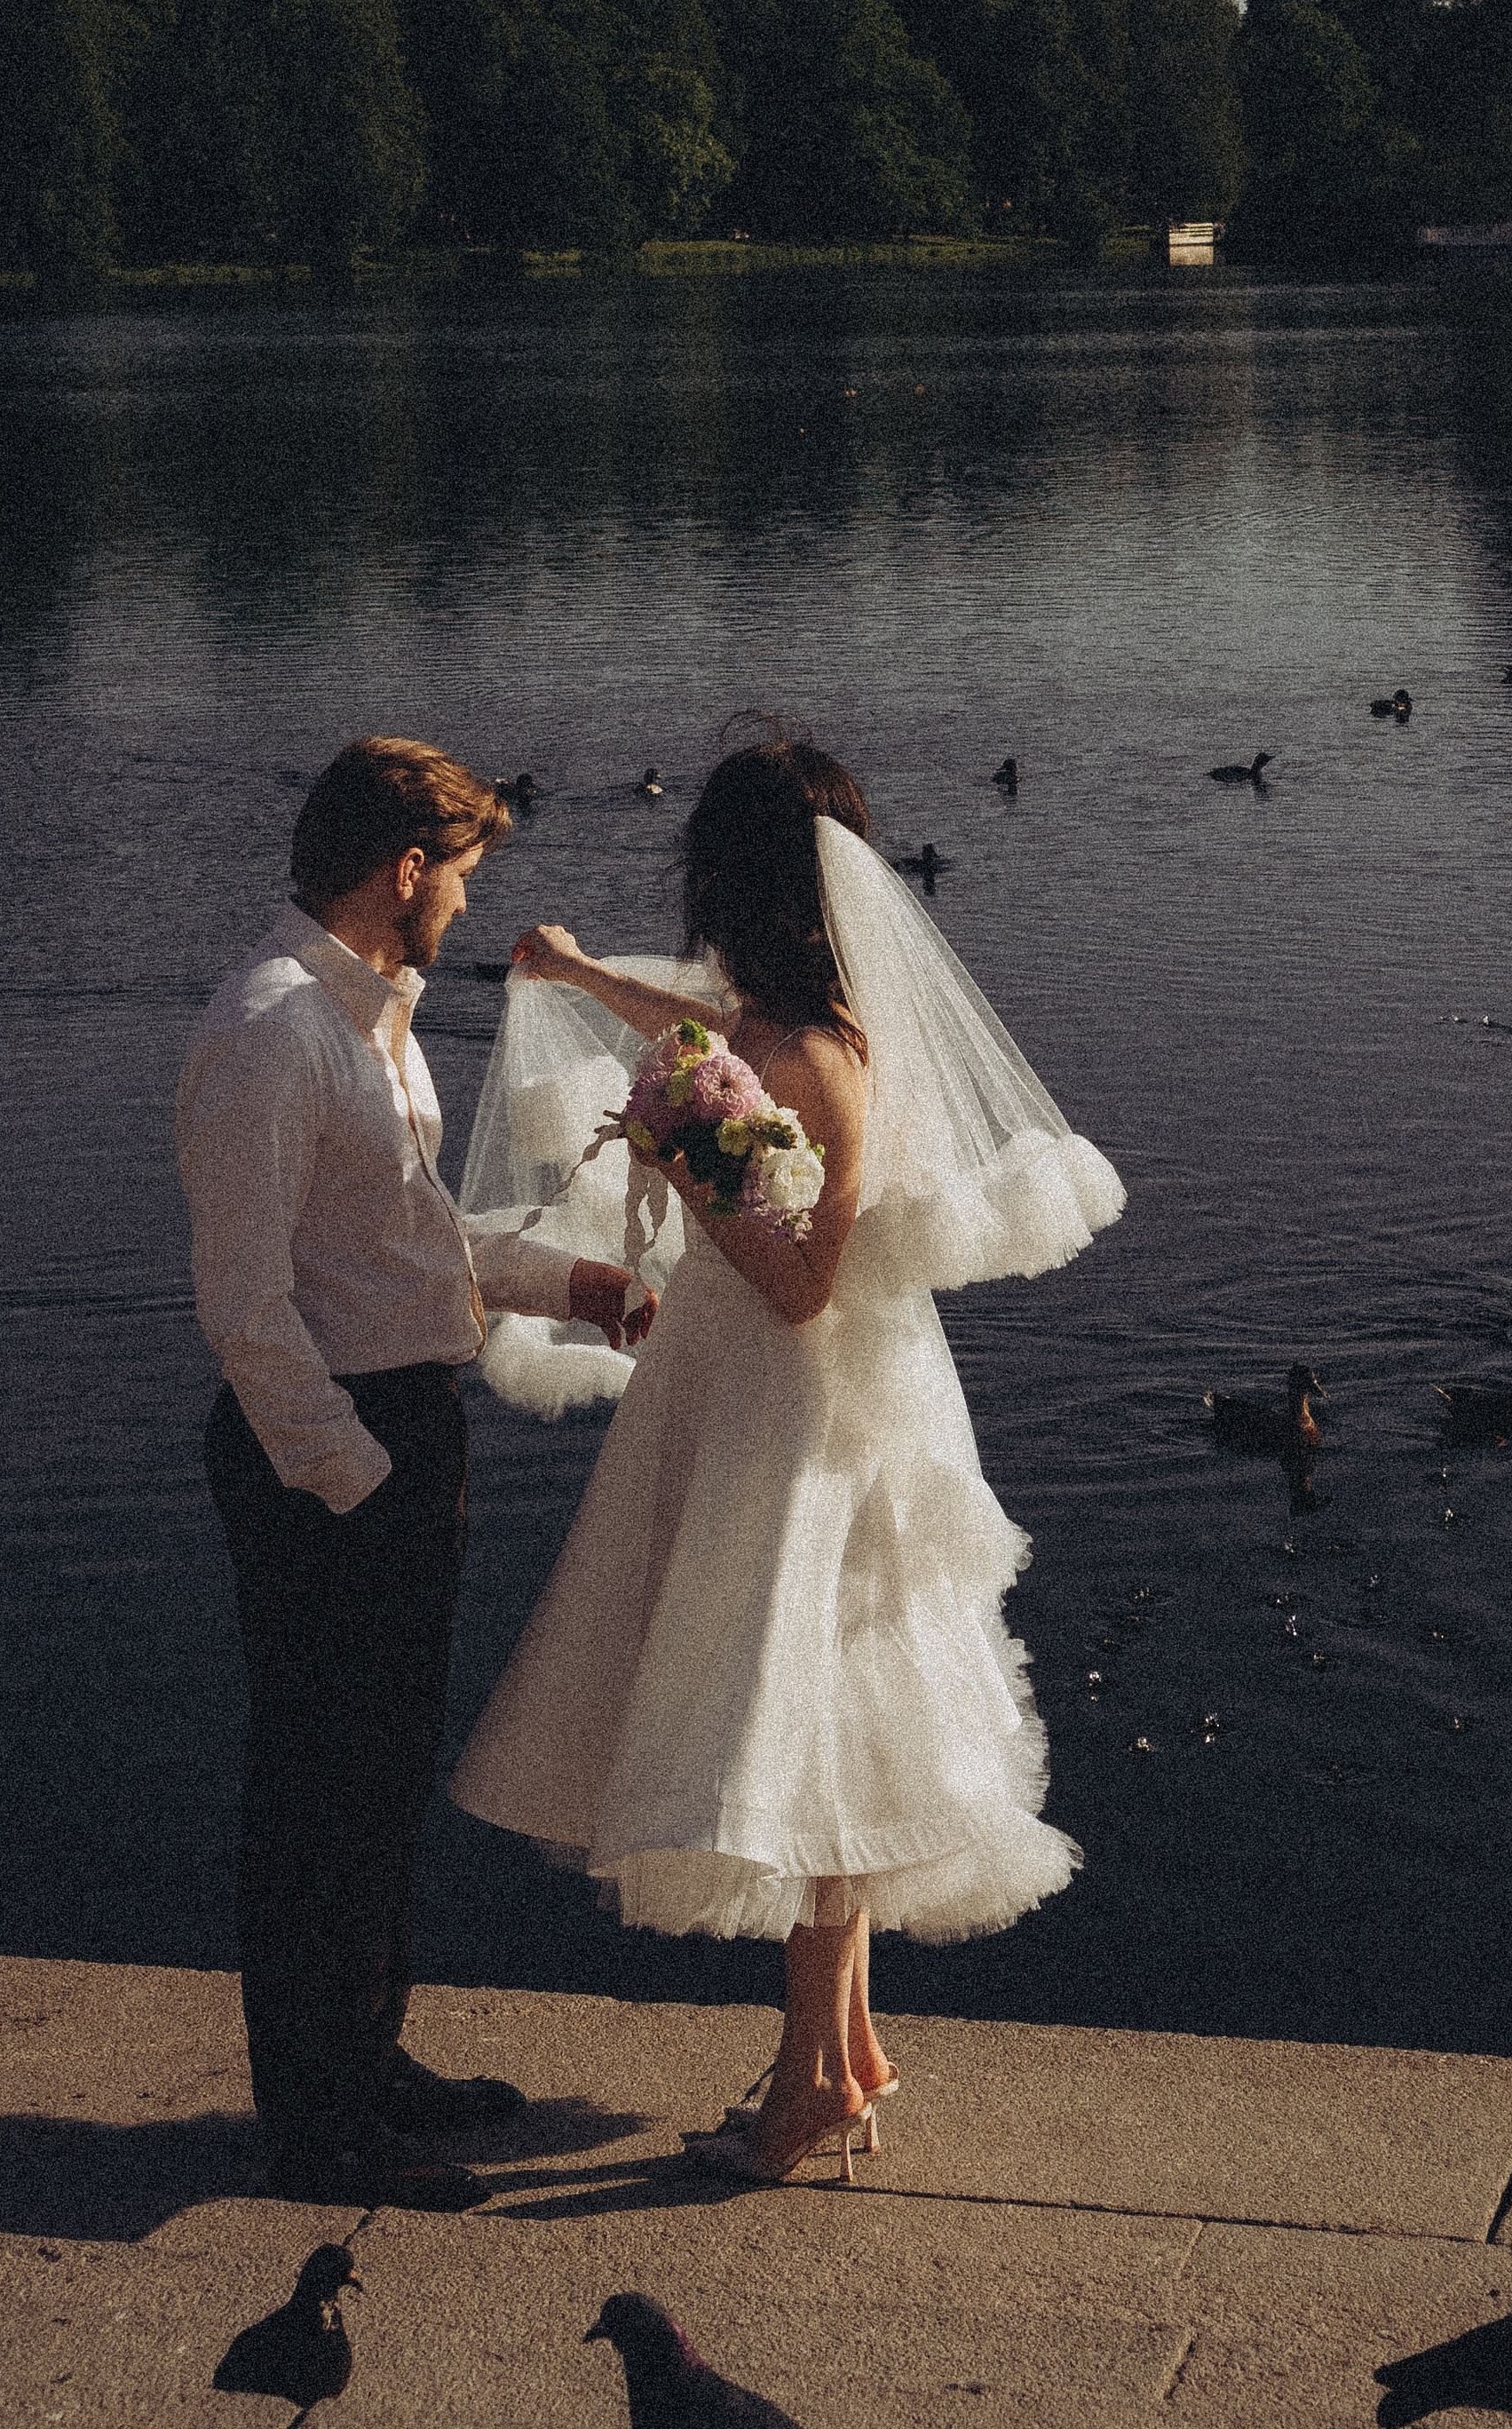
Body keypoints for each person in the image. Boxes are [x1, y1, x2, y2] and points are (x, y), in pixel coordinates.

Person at [449, 729, 1122, 2185]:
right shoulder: (776, 1024)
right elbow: (694, 1029)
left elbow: (805, 1278)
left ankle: (810, 2085)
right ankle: (839, 2055)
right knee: (832, 1724)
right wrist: (573, 978)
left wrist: (696, 1166)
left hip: (798, 1417)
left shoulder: (804, 1056)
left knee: (804, 1739)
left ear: (731, 880)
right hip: (771, 1396)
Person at [177, 735, 654, 2210]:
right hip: (330, 1454)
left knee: (378, 1782)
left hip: (394, 1427)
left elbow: (405, 1252)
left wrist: (571, 1288)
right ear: (403, 872)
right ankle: (315, 2131)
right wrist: (358, 1477)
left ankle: (366, 2065)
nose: (462, 903)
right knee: (316, 1794)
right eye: (456, 874)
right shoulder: (270, 1030)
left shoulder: (367, 1021)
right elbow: (245, 1310)